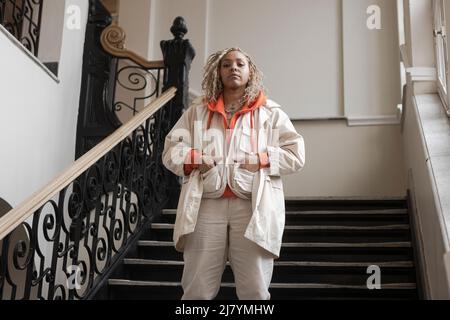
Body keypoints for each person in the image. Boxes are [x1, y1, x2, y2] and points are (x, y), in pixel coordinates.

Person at [162, 47, 305, 300]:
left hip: (253, 206)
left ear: (251, 72)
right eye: (226, 65)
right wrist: (196, 159)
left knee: (255, 288)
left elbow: (296, 155)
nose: (233, 68)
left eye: (240, 63)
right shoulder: (197, 111)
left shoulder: (271, 113)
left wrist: (261, 159)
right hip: (206, 204)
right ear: (218, 72)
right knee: (196, 288)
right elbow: (172, 149)